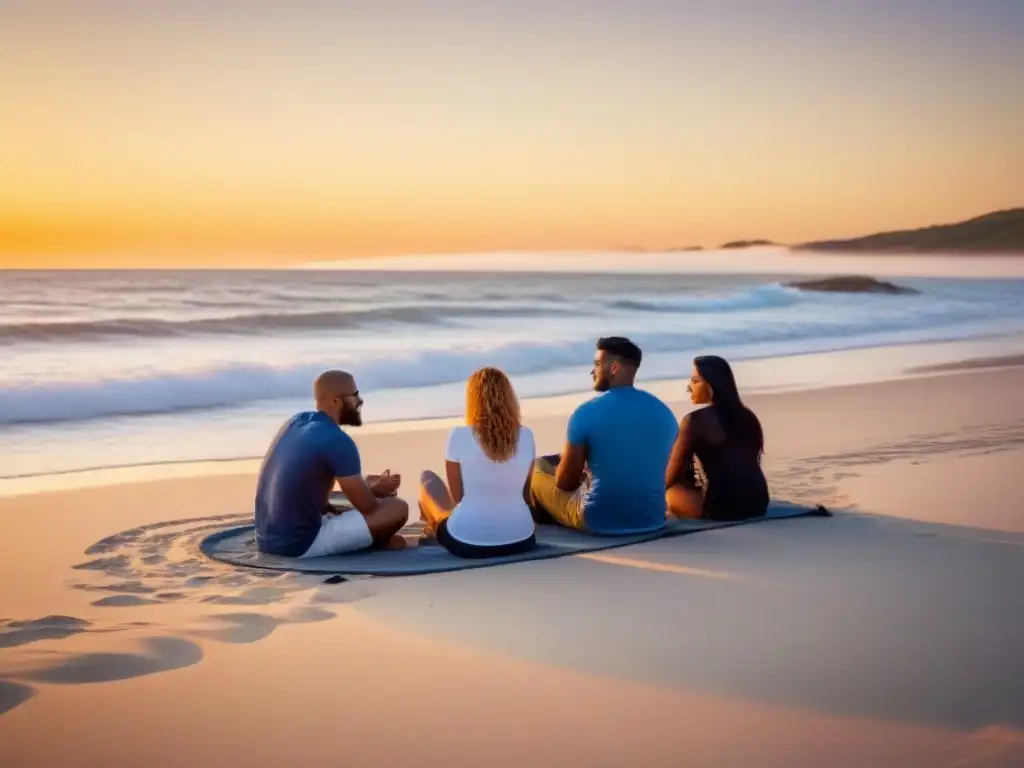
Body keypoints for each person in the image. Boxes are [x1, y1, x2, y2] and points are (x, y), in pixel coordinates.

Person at [529, 337, 678, 535]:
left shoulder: (586, 412)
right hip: (652, 517)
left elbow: (565, 483)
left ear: (614, 368)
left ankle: (533, 527)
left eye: (597, 365)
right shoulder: (664, 413)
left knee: (538, 468)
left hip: (598, 518)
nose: (593, 371)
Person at [254, 369, 409, 558]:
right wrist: (380, 494)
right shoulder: (337, 439)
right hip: (300, 545)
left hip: (267, 539)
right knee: (397, 507)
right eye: (355, 396)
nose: (360, 402)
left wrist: (372, 489)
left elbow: (316, 495)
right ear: (336, 401)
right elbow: (369, 508)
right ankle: (378, 542)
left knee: (350, 495)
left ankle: (368, 511)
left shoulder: (295, 422)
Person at [418, 367, 537, 558]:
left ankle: (433, 526)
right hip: (522, 539)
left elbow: (458, 499)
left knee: (427, 479)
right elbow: (525, 494)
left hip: (468, 543)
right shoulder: (527, 435)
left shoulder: (458, 435)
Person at [665, 355, 769, 521]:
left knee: (672, 491)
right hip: (759, 503)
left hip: (720, 510)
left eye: (695, 381)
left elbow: (671, 476)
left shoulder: (695, 421)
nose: (688, 387)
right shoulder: (748, 416)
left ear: (711, 385)